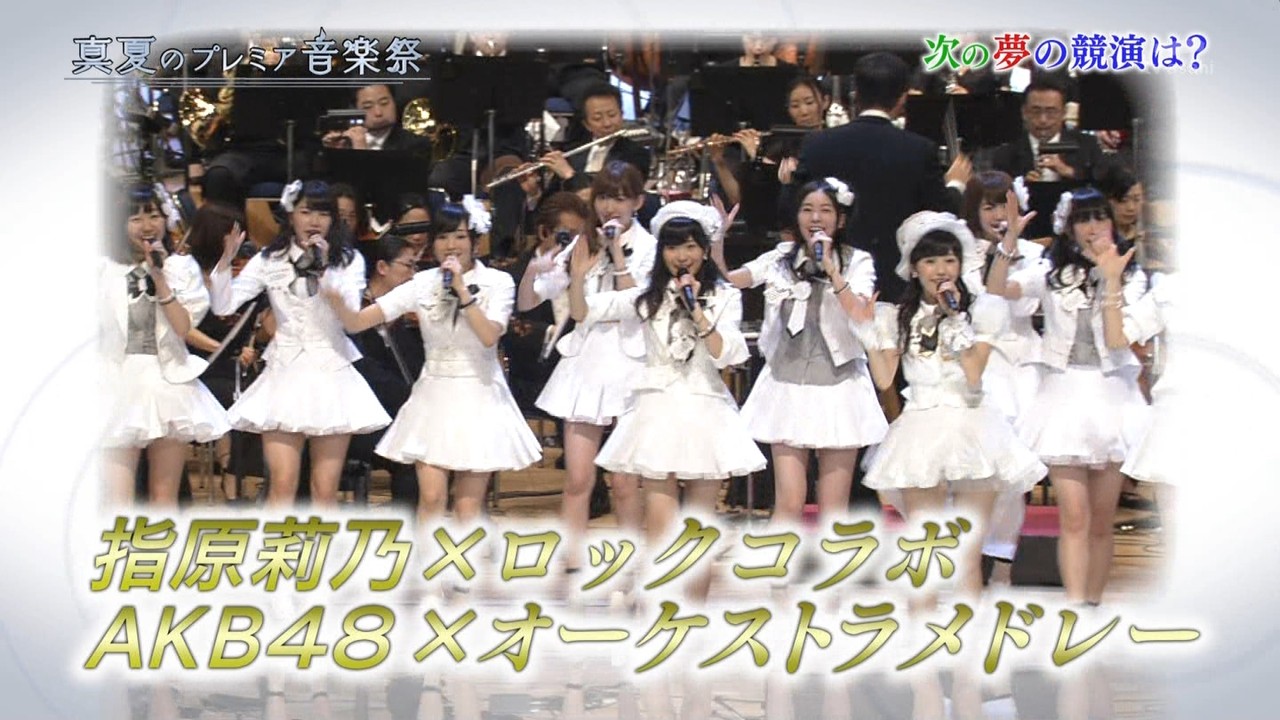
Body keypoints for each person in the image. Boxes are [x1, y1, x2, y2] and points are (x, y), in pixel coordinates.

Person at [569, 200, 766, 573]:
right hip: (657, 411)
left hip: (705, 409)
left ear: (704, 250)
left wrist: (696, 310)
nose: (682, 255)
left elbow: (726, 353)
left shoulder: (725, 296)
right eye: (673, 247)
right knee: (661, 531)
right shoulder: (647, 295)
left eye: (690, 246)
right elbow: (583, 312)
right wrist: (578, 279)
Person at [859, 212, 1046, 600]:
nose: (941, 269)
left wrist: (956, 319)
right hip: (920, 427)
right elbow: (884, 378)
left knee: (967, 555)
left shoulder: (982, 312)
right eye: (930, 261)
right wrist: (866, 331)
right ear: (914, 269)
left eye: (949, 260)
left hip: (973, 426)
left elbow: (974, 373)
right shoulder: (898, 317)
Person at [985, 187, 1152, 605]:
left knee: (1102, 520)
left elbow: (1120, 338)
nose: (1092, 227)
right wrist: (1009, 243)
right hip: (1062, 397)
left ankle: (1093, 603)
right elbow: (998, 289)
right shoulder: (1050, 270)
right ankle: (1076, 605)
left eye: (1100, 217)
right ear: (1069, 227)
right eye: (1083, 219)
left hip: (1113, 396)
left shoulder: (1133, 274)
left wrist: (1110, 278)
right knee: (1074, 516)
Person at [327, 203, 541, 525]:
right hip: (433, 396)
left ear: (475, 241)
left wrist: (462, 292)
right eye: (442, 237)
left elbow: (489, 336)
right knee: (431, 497)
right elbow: (359, 322)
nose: (451, 245)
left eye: (460, 236)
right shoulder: (423, 282)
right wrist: (336, 300)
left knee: (468, 506)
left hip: (479, 395)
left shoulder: (498, 282)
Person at [714, 178, 887, 526]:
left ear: (840, 219)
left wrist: (831, 270)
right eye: (807, 210)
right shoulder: (779, 258)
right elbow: (730, 280)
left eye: (825, 210)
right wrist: (717, 242)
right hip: (787, 384)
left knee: (833, 508)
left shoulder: (858, 261)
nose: (815, 218)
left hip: (839, 386)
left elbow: (859, 312)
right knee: (789, 501)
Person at [209, 179, 390, 508]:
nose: (314, 221)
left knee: (325, 490)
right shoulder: (270, 259)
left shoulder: (348, 260)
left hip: (332, 373)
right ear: (291, 215)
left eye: (323, 213)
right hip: (284, 373)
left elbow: (350, 312)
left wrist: (324, 269)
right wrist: (224, 264)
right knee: (281, 485)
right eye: (306, 211)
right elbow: (224, 306)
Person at [523, 164, 654, 572]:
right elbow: (531, 299)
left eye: (619, 197)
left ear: (638, 202)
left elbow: (639, 304)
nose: (609, 206)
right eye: (603, 197)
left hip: (632, 362)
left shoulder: (650, 247)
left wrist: (615, 256)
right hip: (586, 363)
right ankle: (573, 560)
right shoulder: (582, 243)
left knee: (625, 480)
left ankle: (632, 560)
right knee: (578, 477)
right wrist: (536, 265)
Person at [789, 52, 970, 303]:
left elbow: (791, 207)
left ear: (856, 95)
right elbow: (940, 213)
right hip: (895, 282)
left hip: (831, 279)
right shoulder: (919, 150)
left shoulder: (817, 144)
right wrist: (956, 184)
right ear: (902, 98)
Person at [100, 184, 230, 507]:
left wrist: (160, 279)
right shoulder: (103, 269)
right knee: (117, 499)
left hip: (167, 382)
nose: (147, 226)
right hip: (116, 381)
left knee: (164, 497)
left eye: (154, 216)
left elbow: (184, 327)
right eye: (136, 218)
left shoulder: (180, 268)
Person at [961, 171, 1049, 573]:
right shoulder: (961, 252)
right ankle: (969, 557)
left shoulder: (1033, 255)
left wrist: (1011, 245)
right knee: (975, 470)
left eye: (1004, 205)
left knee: (1016, 471)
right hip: (976, 365)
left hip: (1021, 368)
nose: (998, 215)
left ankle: (1002, 562)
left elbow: (1011, 300)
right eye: (989, 206)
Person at [347, 235, 427, 509]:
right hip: (360, 418)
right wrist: (411, 397)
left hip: (400, 414)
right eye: (408, 266)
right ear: (382, 267)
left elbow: (416, 367)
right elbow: (363, 368)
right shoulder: (354, 309)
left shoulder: (407, 316)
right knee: (411, 453)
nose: (413, 275)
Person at [983, 75, 1110, 184]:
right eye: (1036, 111)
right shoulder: (1005, 153)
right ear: (1024, 112)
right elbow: (996, 193)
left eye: (1051, 111)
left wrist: (1069, 171)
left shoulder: (1087, 145)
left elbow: (1104, 182)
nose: (1043, 119)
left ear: (1064, 112)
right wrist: (1020, 187)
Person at [540, 83, 650, 197]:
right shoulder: (572, 152)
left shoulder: (636, 154)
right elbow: (551, 201)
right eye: (597, 118)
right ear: (586, 124)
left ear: (622, 115)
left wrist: (569, 175)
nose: (607, 123)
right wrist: (534, 193)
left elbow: (610, 197)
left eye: (612, 115)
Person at [321, 83, 431, 153]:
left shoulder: (416, 144)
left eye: (384, 103)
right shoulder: (347, 141)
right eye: (368, 106)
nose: (378, 112)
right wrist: (335, 153)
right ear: (355, 109)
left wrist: (360, 152)